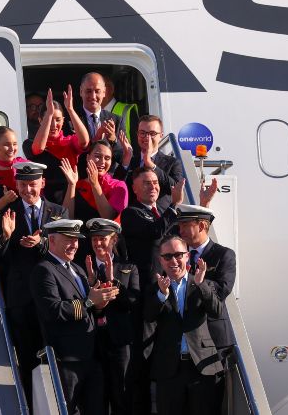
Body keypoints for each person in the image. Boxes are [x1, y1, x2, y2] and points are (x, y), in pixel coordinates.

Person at [0, 161, 68, 412]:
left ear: (42, 183)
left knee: (58, 359)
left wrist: (42, 243)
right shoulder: (6, 213)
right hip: (21, 300)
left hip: (53, 298)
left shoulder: (59, 212)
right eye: (22, 185)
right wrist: (5, 236)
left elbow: (67, 252)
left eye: (32, 184)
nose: (27, 190)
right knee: (28, 359)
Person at [30, 219, 119, 415]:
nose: (74, 245)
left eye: (76, 240)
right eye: (68, 240)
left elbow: (89, 308)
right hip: (66, 359)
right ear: (52, 240)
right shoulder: (44, 270)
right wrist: (89, 302)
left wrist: (99, 305)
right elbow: (53, 311)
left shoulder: (77, 269)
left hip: (90, 355)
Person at [119, 168, 185, 415]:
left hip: (171, 292)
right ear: (134, 189)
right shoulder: (132, 213)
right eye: (146, 183)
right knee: (143, 358)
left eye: (156, 182)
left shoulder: (165, 213)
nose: (153, 187)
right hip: (146, 294)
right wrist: (174, 206)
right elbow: (154, 232)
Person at [144, 235, 224, 415]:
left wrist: (201, 284)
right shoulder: (155, 288)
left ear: (187, 256)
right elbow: (148, 317)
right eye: (167, 256)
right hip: (169, 369)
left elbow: (216, 312)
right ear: (161, 260)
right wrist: (162, 294)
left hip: (201, 367)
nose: (173, 261)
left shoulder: (203, 283)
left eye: (178, 255)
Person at [176, 204, 237, 414]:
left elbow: (221, 292)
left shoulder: (223, 255)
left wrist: (196, 281)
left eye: (185, 225)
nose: (180, 230)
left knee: (208, 405)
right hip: (183, 342)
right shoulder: (178, 255)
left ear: (202, 226)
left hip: (212, 341)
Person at [83, 218, 140, 415]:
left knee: (121, 395)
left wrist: (112, 281)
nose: (98, 243)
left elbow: (133, 302)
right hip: (92, 342)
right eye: (94, 239)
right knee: (96, 397)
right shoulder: (82, 268)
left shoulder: (129, 268)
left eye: (103, 238)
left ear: (114, 240)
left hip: (120, 343)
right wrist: (91, 283)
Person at [25, 86, 90, 205]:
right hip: (44, 201)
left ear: (63, 120)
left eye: (58, 120)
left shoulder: (70, 141)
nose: (54, 125)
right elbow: (38, 148)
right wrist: (49, 114)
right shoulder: (30, 143)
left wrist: (70, 109)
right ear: (40, 120)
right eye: (49, 119)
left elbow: (85, 141)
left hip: (70, 197)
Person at [113, 115, 183, 211]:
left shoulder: (172, 163)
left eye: (152, 133)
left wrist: (150, 164)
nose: (147, 137)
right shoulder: (129, 160)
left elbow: (175, 188)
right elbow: (116, 187)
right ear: (137, 135)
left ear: (161, 136)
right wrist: (126, 161)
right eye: (142, 133)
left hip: (161, 216)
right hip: (133, 214)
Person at [58, 139, 130, 223]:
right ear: (88, 158)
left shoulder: (117, 186)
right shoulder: (78, 185)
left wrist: (95, 184)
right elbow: (66, 220)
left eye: (107, 158)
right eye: (97, 156)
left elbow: (109, 218)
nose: (102, 162)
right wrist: (71, 185)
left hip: (102, 231)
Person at [76, 72, 124, 168]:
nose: (93, 96)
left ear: (104, 92)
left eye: (97, 91)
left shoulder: (116, 120)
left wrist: (113, 140)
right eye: (88, 91)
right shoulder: (71, 120)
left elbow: (123, 158)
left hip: (108, 176)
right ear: (81, 91)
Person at [102, 75, 139, 146]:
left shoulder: (128, 110)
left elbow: (137, 146)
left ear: (112, 89)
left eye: (102, 87)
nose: (98, 91)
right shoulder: (91, 114)